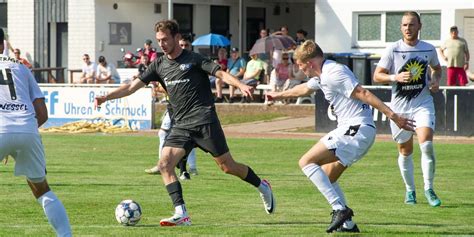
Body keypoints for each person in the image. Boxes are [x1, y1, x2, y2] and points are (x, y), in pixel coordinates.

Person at [95, 19, 275, 226]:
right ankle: (181, 213)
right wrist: (105, 97)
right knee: (164, 164)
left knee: (228, 167)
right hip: (181, 125)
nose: (161, 44)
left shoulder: (194, 59)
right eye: (158, 40)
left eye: (165, 39)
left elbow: (221, 73)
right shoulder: (158, 65)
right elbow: (130, 87)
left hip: (204, 121)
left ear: (177, 38)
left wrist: (241, 84)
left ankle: (262, 185)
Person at [266, 40, 414, 233]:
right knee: (328, 176)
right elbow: (303, 89)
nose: (300, 69)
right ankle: (349, 225)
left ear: (310, 63)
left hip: (356, 129)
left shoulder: (333, 73)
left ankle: (339, 209)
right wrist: (276, 96)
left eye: (301, 65)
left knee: (306, 162)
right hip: (355, 129)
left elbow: (363, 92)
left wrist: (394, 116)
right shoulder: (322, 74)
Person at [0, 28, 72, 237]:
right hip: (28, 129)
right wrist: (20, 133)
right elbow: (42, 113)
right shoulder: (22, 68)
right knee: (42, 189)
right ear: (3, 44)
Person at [373, 11, 443, 207]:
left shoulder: (428, 49)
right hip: (400, 108)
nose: (408, 28)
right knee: (405, 151)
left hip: (423, 104)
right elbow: (377, 76)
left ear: (419, 26)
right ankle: (410, 191)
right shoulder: (393, 49)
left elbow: (437, 69)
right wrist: (394, 77)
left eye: (412, 25)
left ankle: (429, 189)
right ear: (401, 28)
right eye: (404, 25)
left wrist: (436, 81)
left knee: (426, 144)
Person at [145, 36, 199, 179]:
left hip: (187, 108)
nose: (183, 47)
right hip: (172, 107)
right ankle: (163, 164)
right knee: (163, 134)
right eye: (181, 44)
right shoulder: (166, 63)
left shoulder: (192, 62)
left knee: (189, 138)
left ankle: (188, 168)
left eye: (186, 45)